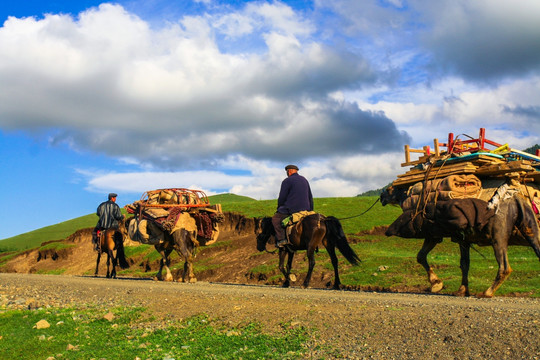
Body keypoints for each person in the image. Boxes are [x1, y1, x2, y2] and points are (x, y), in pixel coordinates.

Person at [272, 165, 314, 247]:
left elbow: (282, 197)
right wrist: (310, 210)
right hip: (306, 209)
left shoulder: (287, 181)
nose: (287, 173)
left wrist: (279, 208)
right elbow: (310, 196)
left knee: (275, 219)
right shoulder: (304, 180)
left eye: (287, 171)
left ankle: (282, 240)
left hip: (292, 208)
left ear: (289, 171)